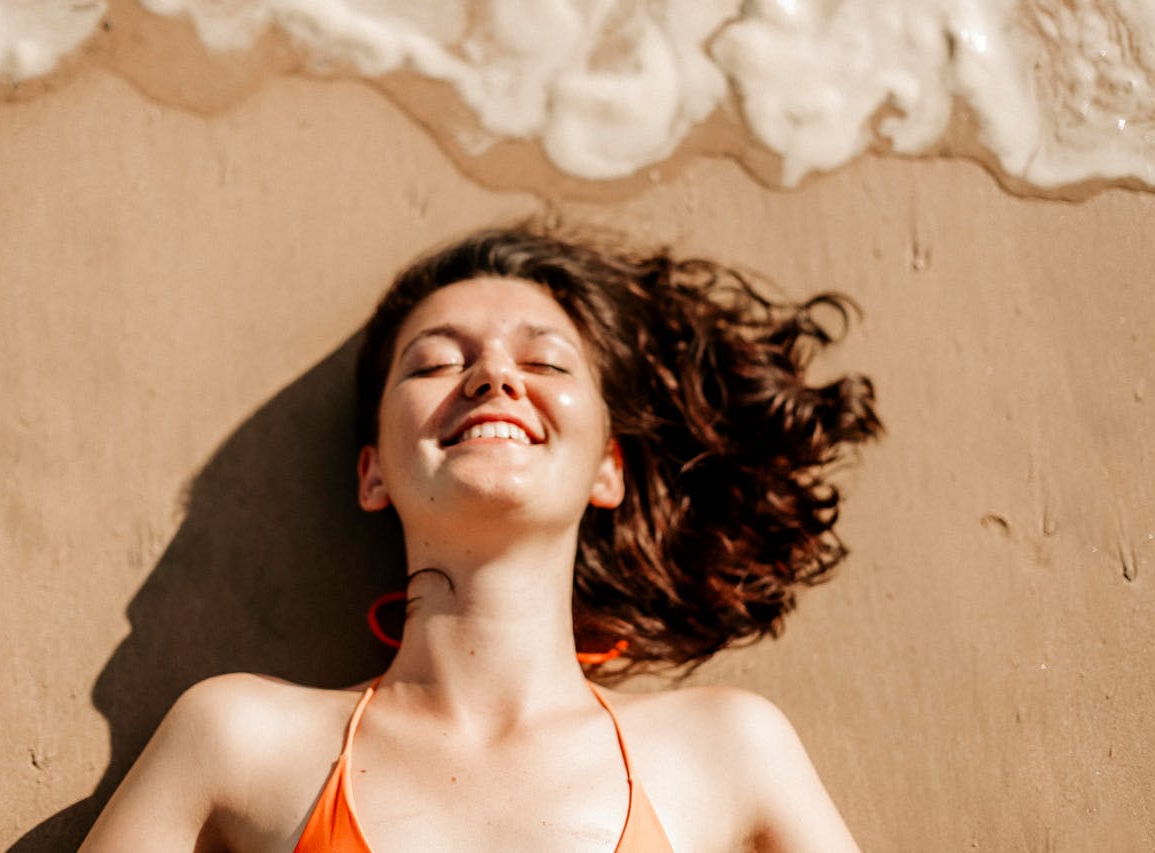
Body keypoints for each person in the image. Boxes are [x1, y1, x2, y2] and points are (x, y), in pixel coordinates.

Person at [80, 223, 881, 852]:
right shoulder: (240, 739)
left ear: (609, 469)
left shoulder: (726, 749)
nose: (493, 375)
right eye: (433, 362)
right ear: (374, 475)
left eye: (547, 361)